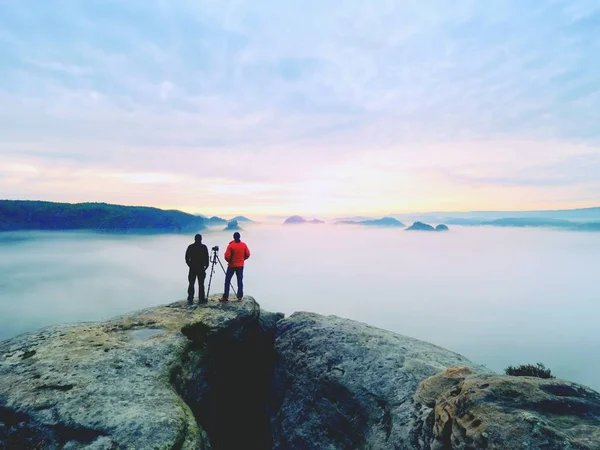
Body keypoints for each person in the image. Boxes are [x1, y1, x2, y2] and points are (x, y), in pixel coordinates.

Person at [221, 232, 250, 302]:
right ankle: (240, 297)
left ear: (234, 237)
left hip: (231, 266)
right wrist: (242, 259)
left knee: (227, 281)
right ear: (239, 237)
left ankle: (225, 297)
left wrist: (230, 261)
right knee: (240, 281)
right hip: (240, 266)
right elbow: (248, 254)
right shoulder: (243, 245)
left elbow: (227, 256)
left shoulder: (231, 246)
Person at [185, 234, 209, 305]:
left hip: (192, 268)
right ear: (201, 239)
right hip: (201, 268)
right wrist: (205, 267)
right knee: (201, 284)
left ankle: (190, 297)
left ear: (195, 239)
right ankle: (201, 299)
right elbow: (207, 258)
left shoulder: (190, 247)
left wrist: (190, 265)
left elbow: (186, 258)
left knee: (191, 283)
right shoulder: (204, 247)